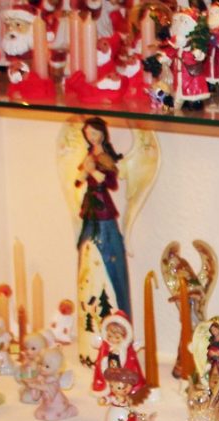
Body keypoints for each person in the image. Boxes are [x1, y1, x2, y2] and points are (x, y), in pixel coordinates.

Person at [76, 117, 130, 363]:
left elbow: (110, 183)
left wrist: (93, 171)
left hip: (102, 207)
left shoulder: (105, 157)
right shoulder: (89, 154)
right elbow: (79, 179)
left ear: (102, 134)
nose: (92, 137)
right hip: (90, 206)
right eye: (89, 133)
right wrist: (82, 174)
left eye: (95, 133)